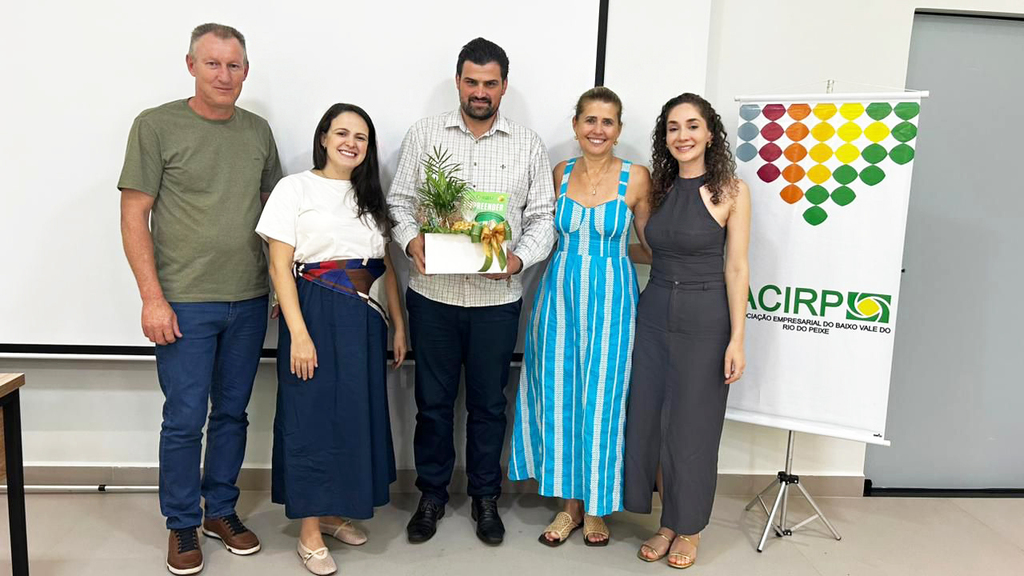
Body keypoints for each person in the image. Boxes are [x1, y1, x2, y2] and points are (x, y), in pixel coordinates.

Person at [117, 23, 282, 575]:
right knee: (186, 419)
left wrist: (280, 285)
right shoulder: (156, 125)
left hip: (249, 298)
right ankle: (182, 521)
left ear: (246, 71)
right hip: (184, 302)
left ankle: (222, 511)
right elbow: (133, 216)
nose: (224, 75)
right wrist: (152, 299)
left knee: (232, 414)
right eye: (213, 63)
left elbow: (274, 214)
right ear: (191, 65)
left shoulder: (258, 132)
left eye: (234, 65)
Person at [387, 37, 555, 545]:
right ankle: (432, 495)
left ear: (503, 86)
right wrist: (411, 240)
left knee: (489, 406)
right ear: (458, 82)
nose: (480, 91)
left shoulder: (528, 144)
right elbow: (398, 203)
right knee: (433, 404)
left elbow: (543, 217)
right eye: (471, 81)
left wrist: (518, 259)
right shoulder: (424, 135)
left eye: (490, 83)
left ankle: (485, 497)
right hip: (433, 296)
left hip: (496, 302)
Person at [256, 103, 404, 575]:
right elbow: (279, 265)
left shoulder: (371, 197)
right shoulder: (295, 188)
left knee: (352, 416)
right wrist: (298, 334)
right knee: (312, 417)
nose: (350, 143)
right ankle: (309, 532)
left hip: (365, 320)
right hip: (315, 313)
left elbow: (385, 265)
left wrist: (399, 322)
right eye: (342, 133)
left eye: (361, 137)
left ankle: (334, 512)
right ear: (323, 138)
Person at [508, 87, 651, 547]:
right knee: (560, 396)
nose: (598, 129)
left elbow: (652, 246)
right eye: (590, 120)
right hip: (558, 301)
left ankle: (597, 508)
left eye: (607, 122)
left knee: (605, 399)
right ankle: (568, 507)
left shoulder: (637, 178)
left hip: (613, 302)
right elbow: (541, 232)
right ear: (576, 125)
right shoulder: (560, 173)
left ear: (619, 130)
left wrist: (612, 255)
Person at [623, 93, 750, 569]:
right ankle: (667, 523)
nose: (683, 136)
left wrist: (737, 339)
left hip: (706, 317)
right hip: (653, 310)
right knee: (651, 421)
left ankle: (690, 528)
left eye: (692, 126)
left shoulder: (732, 191)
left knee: (693, 427)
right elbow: (651, 250)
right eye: (673, 128)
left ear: (710, 134)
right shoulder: (657, 190)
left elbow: (736, 268)